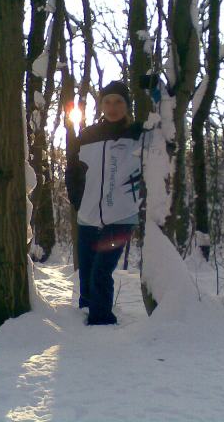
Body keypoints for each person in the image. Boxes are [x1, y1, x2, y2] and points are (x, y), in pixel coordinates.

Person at [65, 80, 144, 325]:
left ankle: (101, 324)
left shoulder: (139, 134)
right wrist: (77, 199)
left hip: (122, 215)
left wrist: (156, 90)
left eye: (118, 102)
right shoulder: (87, 135)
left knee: (101, 270)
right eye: (107, 102)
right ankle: (84, 316)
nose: (113, 107)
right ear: (101, 105)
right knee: (87, 270)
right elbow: (73, 170)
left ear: (127, 105)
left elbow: (168, 141)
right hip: (88, 214)